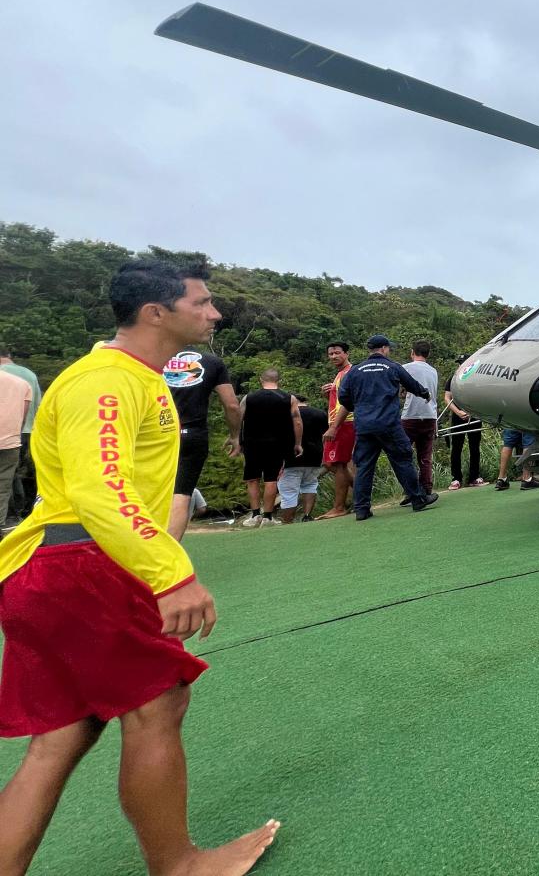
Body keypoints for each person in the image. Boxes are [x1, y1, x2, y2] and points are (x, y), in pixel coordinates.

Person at [0, 260, 279, 875]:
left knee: (63, 736)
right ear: (158, 312)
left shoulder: (139, 378)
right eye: (202, 303)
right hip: (77, 564)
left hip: (57, 568)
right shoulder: (103, 382)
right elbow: (102, 490)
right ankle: (178, 866)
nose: (215, 313)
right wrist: (170, 574)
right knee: (158, 704)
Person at [337, 336, 438, 521]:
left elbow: (343, 397)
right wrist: (424, 393)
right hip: (388, 424)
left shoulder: (355, 371)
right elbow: (412, 385)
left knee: (364, 466)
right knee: (402, 459)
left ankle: (362, 509)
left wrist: (357, 407)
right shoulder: (392, 367)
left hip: (364, 426)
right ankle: (418, 499)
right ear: (384, 348)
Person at [162, 346, 241, 541]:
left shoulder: (152, 355)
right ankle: (168, 553)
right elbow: (232, 405)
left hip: (158, 433)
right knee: (181, 493)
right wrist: (235, 435)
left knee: (150, 490)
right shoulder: (212, 362)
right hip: (193, 434)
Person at [238, 370, 302, 528]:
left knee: (252, 479)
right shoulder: (289, 398)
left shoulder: (249, 397)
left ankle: (254, 516)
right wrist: (298, 443)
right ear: (279, 380)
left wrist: (236, 440)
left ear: (261, 379)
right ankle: (268, 517)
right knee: (271, 479)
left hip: (252, 443)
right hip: (278, 444)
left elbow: (238, 419)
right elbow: (298, 422)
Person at [0, 347, 41, 525]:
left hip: (12, 432)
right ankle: (17, 512)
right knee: (9, 476)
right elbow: (35, 406)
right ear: (9, 356)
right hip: (20, 433)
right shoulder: (28, 376)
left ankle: (13, 512)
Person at [317, 342, 355, 520]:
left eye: (337, 353)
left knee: (336, 463)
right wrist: (330, 394)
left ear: (346, 354)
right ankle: (363, 493)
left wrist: (334, 427)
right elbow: (341, 400)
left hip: (344, 423)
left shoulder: (348, 373)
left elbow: (348, 403)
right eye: (330, 354)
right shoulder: (340, 374)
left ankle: (339, 507)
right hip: (339, 422)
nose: (333, 357)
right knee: (333, 463)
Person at [278, 394, 328, 524]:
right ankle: (307, 515)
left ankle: (288, 521)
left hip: (291, 458)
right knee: (310, 485)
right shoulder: (320, 414)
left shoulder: (286, 415)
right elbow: (326, 435)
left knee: (288, 491)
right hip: (315, 457)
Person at [400, 340, 439, 496]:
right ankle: (426, 488)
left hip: (411, 415)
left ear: (412, 352)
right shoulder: (433, 371)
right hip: (430, 415)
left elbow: (401, 390)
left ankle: (411, 490)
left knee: (403, 454)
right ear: (428, 354)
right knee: (425, 456)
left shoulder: (405, 368)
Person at [443, 356, 483, 490]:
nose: (460, 366)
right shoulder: (453, 378)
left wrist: (474, 411)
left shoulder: (477, 378)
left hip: (475, 415)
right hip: (457, 416)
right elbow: (447, 398)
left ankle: (474, 477)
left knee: (474, 446)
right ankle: (456, 479)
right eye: (459, 364)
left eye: (463, 363)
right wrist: (458, 412)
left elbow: (482, 396)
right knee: (456, 447)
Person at [0, 371, 32, 526]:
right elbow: (23, 417)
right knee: (3, 488)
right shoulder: (22, 383)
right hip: (10, 443)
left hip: (11, 443)